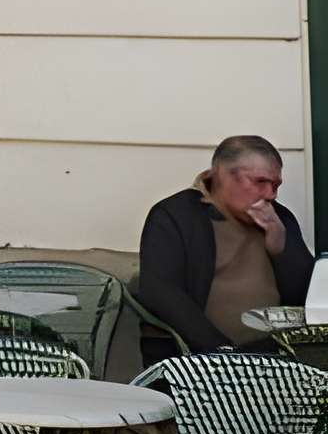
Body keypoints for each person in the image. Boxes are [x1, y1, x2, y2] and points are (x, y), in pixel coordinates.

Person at [135, 134, 315, 358]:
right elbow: (160, 292)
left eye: (275, 185)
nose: (271, 194)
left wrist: (282, 248)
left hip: (278, 356)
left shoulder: (280, 219)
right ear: (223, 177)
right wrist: (224, 352)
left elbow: (309, 297)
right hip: (197, 360)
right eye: (260, 182)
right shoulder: (175, 215)